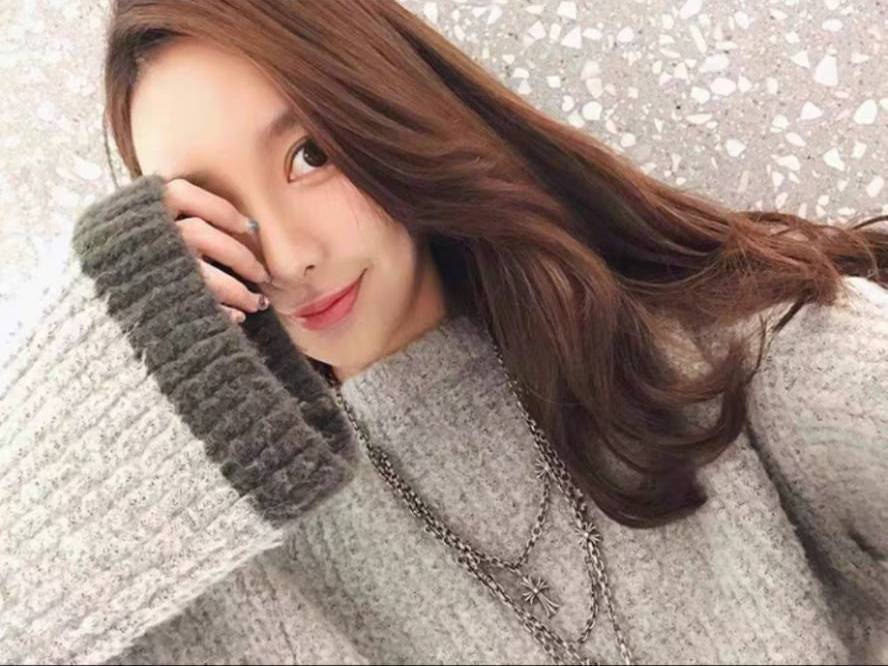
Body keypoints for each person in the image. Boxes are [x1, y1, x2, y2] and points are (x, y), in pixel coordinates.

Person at [1, 1, 886, 664]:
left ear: (389, 117)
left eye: (311, 155)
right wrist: (93, 345)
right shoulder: (229, 579)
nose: (289, 258)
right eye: (212, 217)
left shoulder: (719, 355)